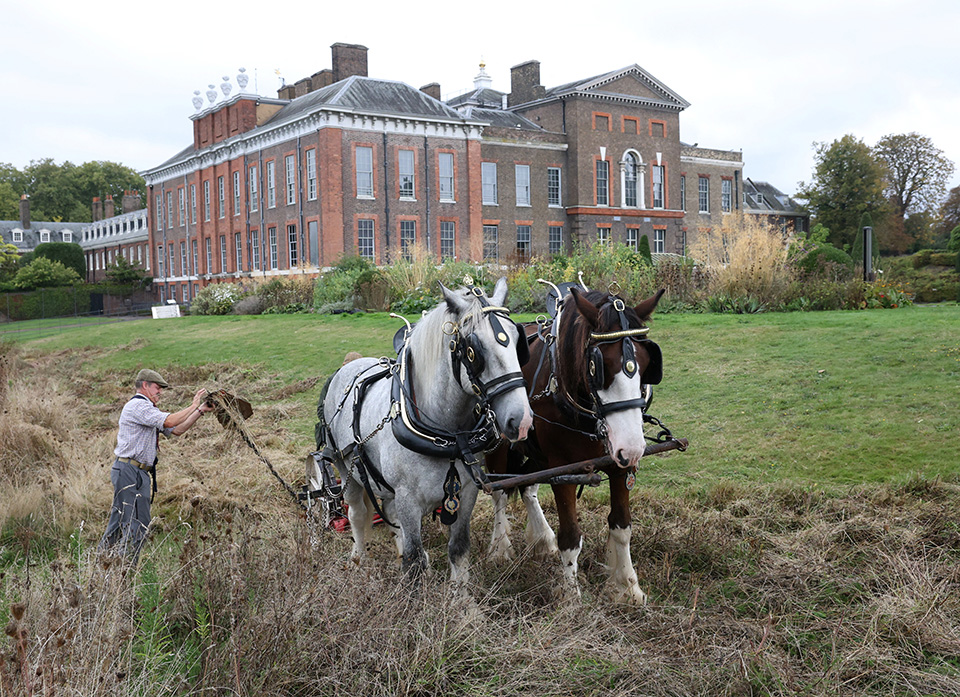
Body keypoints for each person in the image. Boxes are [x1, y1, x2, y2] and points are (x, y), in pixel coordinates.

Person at [98, 369, 212, 561]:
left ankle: (102, 566)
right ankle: (124, 571)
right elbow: (169, 421)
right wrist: (193, 404)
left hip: (136, 472)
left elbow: (177, 430)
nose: (160, 392)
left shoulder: (148, 410)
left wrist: (201, 411)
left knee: (119, 522)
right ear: (145, 385)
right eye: (157, 387)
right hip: (129, 470)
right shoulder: (138, 406)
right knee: (137, 523)